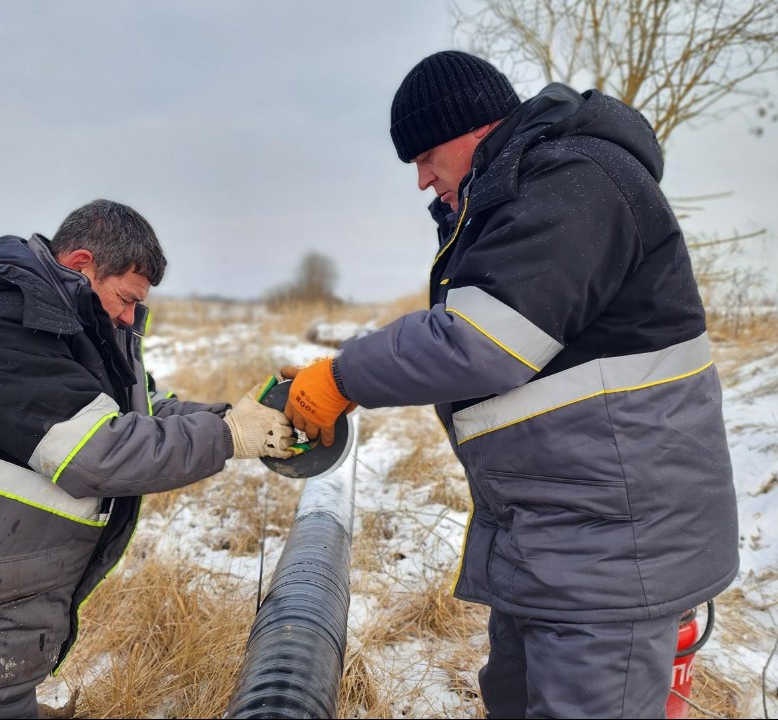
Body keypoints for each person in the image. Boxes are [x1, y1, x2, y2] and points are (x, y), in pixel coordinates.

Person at [282, 51, 739, 718]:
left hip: (610, 555)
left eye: (427, 155)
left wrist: (343, 375)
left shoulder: (574, 181)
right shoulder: (524, 195)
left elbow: (480, 342)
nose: (421, 179)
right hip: (560, 541)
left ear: (475, 127)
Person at [0, 199, 295, 719]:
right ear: (83, 262)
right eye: (125, 298)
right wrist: (228, 437)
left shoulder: (73, 330)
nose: (131, 316)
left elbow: (145, 411)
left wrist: (240, 418)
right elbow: (100, 453)